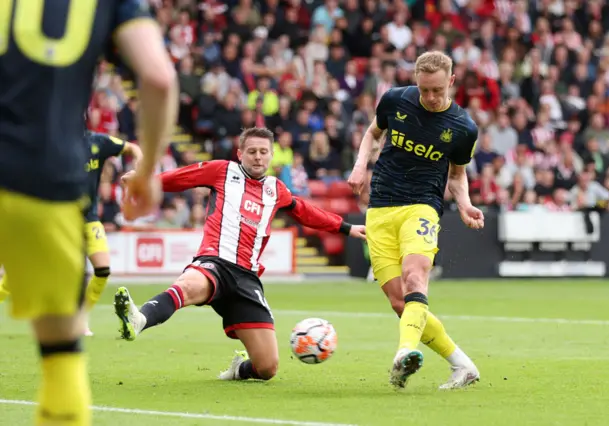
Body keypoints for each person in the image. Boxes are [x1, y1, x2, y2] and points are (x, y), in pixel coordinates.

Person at [0, 2, 177, 424]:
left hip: (50, 183)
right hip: (40, 176)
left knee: (97, 270)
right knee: (60, 356)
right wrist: (149, 170)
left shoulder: (100, 142)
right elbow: (158, 77)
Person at [114, 127, 366, 382]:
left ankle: (239, 369)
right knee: (189, 286)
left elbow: (304, 211)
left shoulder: (275, 189)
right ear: (240, 153)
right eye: (252, 151)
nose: (258, 157)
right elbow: (181, 177)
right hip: (215, 261)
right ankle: (140, 318)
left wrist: (346, 227)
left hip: (247, 279)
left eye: (263, 152)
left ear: (271, 155)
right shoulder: (222, 171)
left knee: (267, 368)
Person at [348, 51, 483, 390]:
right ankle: (463, 365)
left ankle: (404, 353)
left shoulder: (463, 128)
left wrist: (465, 205)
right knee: (399, 302)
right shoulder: (395, 99)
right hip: (380, 207)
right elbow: (372, 134)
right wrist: (360, 165)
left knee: (414, 276)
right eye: (425, 90)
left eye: (437, 90)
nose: (431, 97)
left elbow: (456, 175)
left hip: (422, 206)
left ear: (451, 81)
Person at [0, 131, 143, 337]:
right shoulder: (50, 142)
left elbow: (133, 149)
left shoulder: (99, 142)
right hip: (56, 218)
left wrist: (138, 168)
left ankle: (80, 319)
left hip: (88, 219)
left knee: (102, 270)